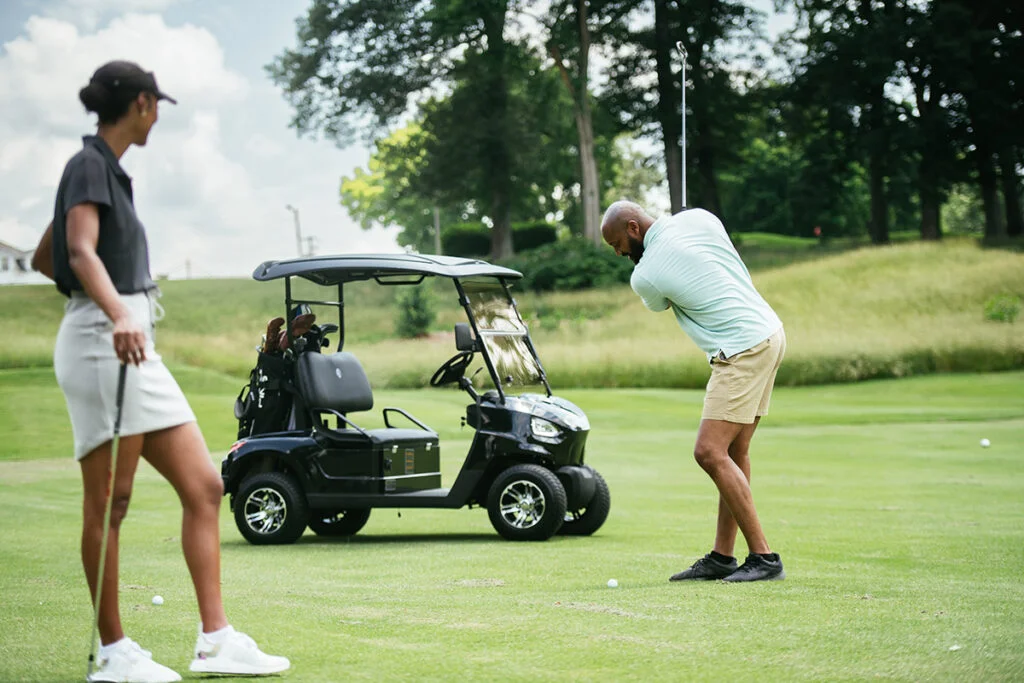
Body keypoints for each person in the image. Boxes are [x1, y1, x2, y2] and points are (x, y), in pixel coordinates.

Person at [31, 61, 290, 682]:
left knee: (204, 487)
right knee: (111, 501)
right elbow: (77, 252)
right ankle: (114, 652)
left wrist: (118, 310)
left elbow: (48, 255)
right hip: (104, 344)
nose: (158, 117)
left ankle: (216, 640)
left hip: (132, 342)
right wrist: (114, 311)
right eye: (156, 106)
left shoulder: (103, 172)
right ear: (142, 103)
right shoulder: (90, 163)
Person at [600, 201, 786, 583]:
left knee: (707, 451)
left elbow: (658, 303)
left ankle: (764, 558)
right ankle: (722, 557)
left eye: (618, 244)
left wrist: (650, 259)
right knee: (734, 451)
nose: (619, 253)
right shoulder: (700, 217)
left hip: (741, 348)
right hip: (768, 332)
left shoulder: (645, 275)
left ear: (633, 228)